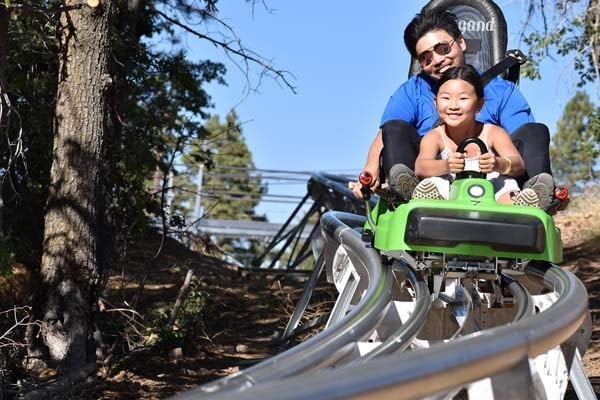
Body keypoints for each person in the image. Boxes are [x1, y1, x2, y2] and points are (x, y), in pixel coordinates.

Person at [349, 8, 554, 208]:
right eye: (426, 58)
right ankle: (409, 197)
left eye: (443, 49)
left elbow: (521, 141)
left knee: (535, 132)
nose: (438, 60)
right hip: (433, 177)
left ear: (461, 43)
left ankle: (534, 198)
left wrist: (499, 163)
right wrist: (370, 169)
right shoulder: (412, 92)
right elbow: (385, 132)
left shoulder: (502, 92)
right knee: (394, 128)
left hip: (493, 178)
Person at [412, 64, 539, 206]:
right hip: (450, 195)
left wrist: (498, 163)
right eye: (446, 98)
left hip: (490, 192)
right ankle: (431, 200)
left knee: (505, 182)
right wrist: (447, 165)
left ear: (479, 104)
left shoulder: (493, 133)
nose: (453, 106)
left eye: (463, 99)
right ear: (435, 103)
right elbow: (420, 167)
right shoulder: (434, 137)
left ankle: (517, 205)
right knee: (436, 181)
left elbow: (519, 165)